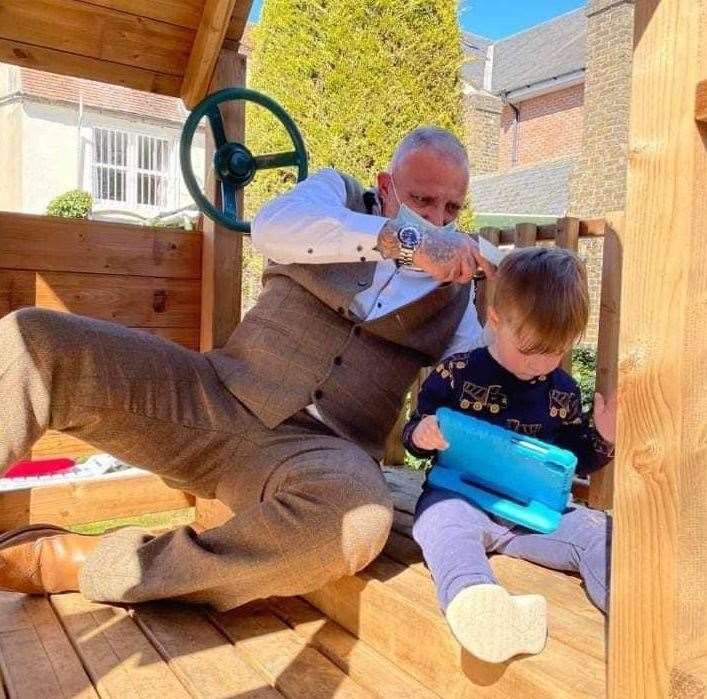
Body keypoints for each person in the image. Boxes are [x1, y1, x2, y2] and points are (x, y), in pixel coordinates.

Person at [0, 126, 492, 610]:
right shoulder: (335, 194)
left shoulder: (457, 298)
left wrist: (518, 309)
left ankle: (95, 564)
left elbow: (478, 381)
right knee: (35, 341)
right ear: (386, 187)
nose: (438, 220)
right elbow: (271, 227)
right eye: (422, 201)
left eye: (451, 209)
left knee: (356, 525)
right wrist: (403, 239)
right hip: (214, 398)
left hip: (320, 456)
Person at [403, 246, 616, 664]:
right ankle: (479, 604)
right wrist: (423, 434)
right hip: (461, 499)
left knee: (598, 531)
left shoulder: (563, 391)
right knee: (440, 525)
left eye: (554, 352)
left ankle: (634, 605)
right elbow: (416, 429)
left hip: (534, 514)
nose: (540, 364)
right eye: (529, 348)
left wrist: (603, 439)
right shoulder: (457, 374)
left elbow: (575, 458)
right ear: (496, 320)